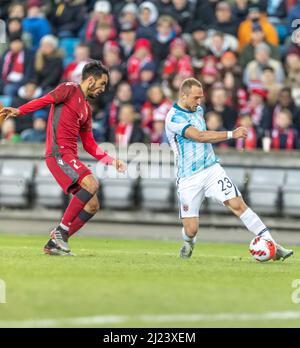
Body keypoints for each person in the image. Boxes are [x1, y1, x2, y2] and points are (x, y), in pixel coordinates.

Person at [0, 61, 126, 256]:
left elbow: (90, 144)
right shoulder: (69, 89)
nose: (103, 89)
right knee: (91, 183)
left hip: (69, 156)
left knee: (93, 205)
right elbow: (45, 99)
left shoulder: (86, 109)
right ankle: (61, 232)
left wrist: (111, 160)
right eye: (102, 84)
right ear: (90, 80)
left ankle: (54, 243)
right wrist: (20, 110)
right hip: (58, 153)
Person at [165, 77, 293, 260]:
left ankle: (272, 244)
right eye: (195, 98)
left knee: (238, 204)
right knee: (191, 229)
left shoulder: (198, 110)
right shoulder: (173, 118)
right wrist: (232, 134)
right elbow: (200, 136)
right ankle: (189, 242)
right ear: (183, 96)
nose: (199, 102)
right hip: (188, 177)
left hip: (211, 170)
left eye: (200, 97)